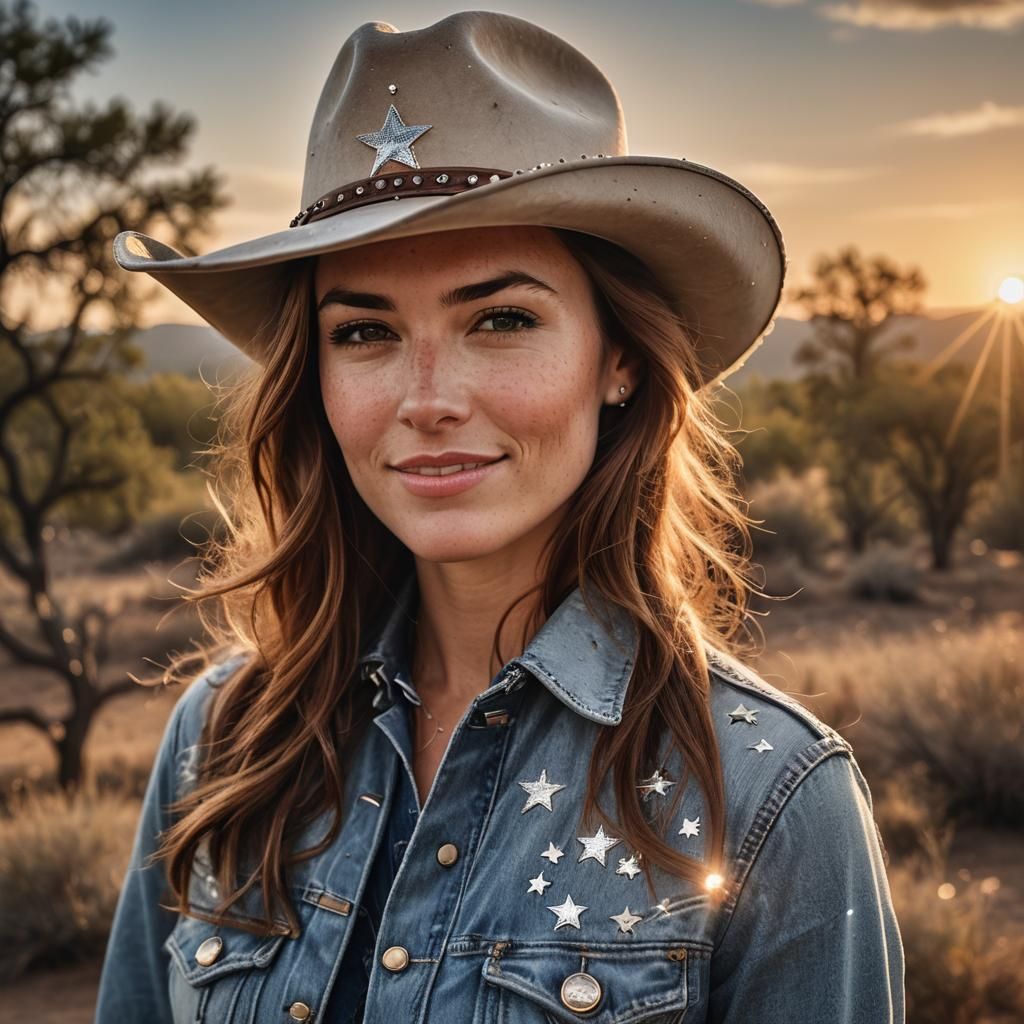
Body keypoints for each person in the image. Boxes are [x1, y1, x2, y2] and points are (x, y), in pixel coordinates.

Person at [94, 10, 904, 1024]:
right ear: (317, 376)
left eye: (500, 319)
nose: (425, 398)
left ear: (617, 359)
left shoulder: (769, 798)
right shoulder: (222, 741)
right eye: (364, 331)